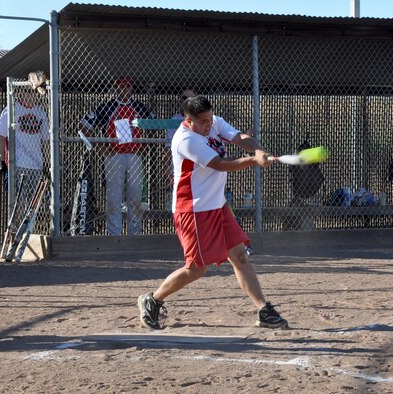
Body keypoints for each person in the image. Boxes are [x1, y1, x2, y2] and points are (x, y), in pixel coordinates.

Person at [137, 95, 288, 330]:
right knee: (196, 268)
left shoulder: (214, 121)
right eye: (203, 122)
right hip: (194, 210)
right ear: (189, 120)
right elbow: (220, 164)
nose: (209, 125)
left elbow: (239, 137)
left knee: (239, 256)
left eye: (210, 119)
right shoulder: (185, 140)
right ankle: (153, 299)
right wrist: (253, 161)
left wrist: (258, 149)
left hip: (217, 205)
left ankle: (263, 309)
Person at [80, 76, 155, 236]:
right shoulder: (108, 107)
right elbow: (84, 125)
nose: (124, 90)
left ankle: (135, 235)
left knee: (135, 197)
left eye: (127, 86)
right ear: (116, 88)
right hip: (114, 156)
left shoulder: (139, 107)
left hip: (135, 155)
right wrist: (101, 148)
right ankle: (114, 235)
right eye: (121, 87)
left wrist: (146, 146)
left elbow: (155, 125)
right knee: (114, 197)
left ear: (132, 88)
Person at [0, 86, 50, 203]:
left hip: (37, 165)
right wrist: (1, 160)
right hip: (17, 164)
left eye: (33, 92)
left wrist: (47, 163)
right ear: (20, 92)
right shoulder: (11, 110)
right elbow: (1, 136)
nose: (31, 95)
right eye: (27, 91)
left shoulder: (40, 112)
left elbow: (45, 140)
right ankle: (16, 222)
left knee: (32, 206)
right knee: (17, 203)